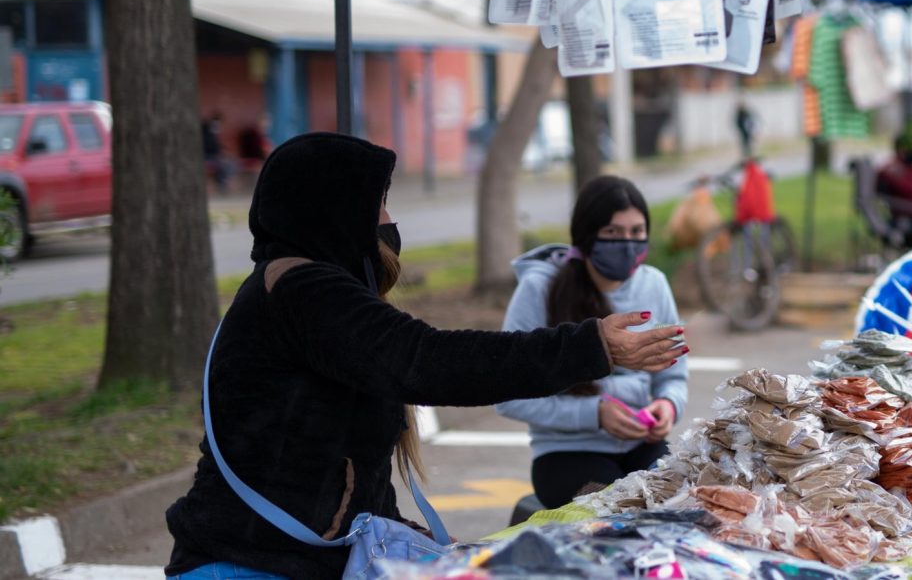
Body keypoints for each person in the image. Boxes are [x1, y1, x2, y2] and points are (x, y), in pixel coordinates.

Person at [164, 135, 684, 580]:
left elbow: (351, 473)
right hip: (251, 562)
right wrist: (590, 345)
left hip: (301, 557)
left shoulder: (304, 288)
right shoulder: (304, 290)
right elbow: (429, 361)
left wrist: (412, 542)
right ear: (338, 208)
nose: (389, 222)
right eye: (381, 204)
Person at [496, 176, 689, 510]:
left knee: (684, 508)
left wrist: (668, 405)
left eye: (636, 232)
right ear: (586, 237)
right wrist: (594, 414)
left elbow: (673, 375)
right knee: (618, 516)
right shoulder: (540, 290)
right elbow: (508, 397)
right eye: (613, 233)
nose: (627, 244)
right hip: (565, 455)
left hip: (641, 445)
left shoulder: (654, 285)